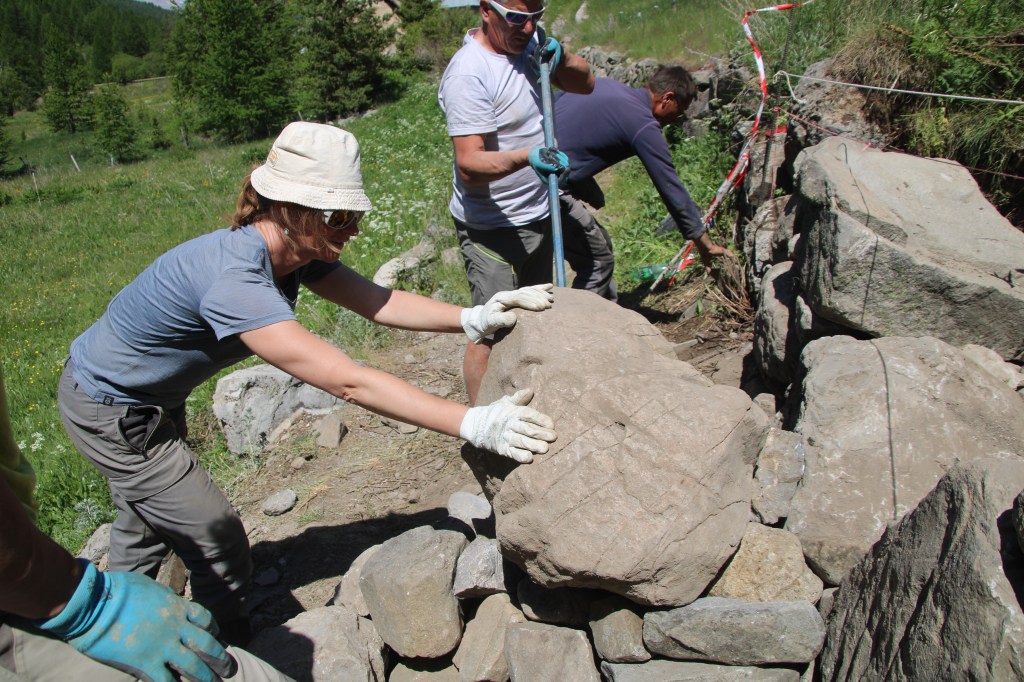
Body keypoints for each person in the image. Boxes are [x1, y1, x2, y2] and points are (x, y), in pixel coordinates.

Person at [56, 121, 558, 649]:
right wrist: (474, 423)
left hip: (144, 398)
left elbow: (378, 302)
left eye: (355, 215)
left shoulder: (297, 250)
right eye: (339, 216)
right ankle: (221, 653)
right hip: (113, 409)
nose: (353, 229)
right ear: (289, 209)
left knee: (144, 523)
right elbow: (348, 382)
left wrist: (472, 317)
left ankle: (112, 631)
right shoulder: (235, 280)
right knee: (218, 540)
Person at [0, 368, 292, 681]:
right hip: (31, 591)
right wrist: (90, 608)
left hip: (21, 580)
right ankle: (225, 630)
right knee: (215, 534)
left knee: (146, 520)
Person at [438, 0, 595, 405]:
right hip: (492, 229)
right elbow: (469, 165)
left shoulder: (530, 42)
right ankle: (480, 420)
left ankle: (534, 400)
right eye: (517, 18)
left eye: (535, 17)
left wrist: (563, 58)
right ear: (486, 10)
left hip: (539, 212)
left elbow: (585, 83)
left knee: (538, 316)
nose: (527, 28)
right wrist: (528, 156)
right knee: (490, 331)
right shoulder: (469, 73)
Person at [554, 65, 735, 301]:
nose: (675, 120)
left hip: (521, 166)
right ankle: (580, 321)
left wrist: (581, 181)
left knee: (600, 244)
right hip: (543, 187)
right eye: (679, 112)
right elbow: (670, 187)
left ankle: (608, 312)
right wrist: (704, 243)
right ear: (667, 99)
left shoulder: (604, 85)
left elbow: (566, 130)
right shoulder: (642, 122)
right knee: (597, 261)